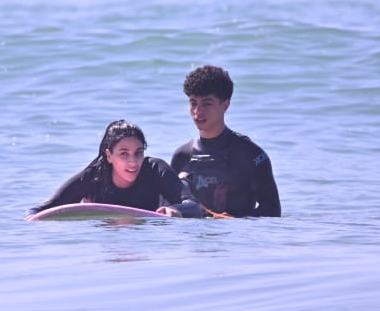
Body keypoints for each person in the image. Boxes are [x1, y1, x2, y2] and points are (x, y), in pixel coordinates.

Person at [27, 120, 203, 218]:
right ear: (109, 155)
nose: (133, 162)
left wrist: (176, 210)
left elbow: (195, 207)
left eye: (138, 153)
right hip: (107, 237)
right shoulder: (94, 175)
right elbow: (42, 209)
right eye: (124, 154)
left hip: (146, 238)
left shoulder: (155, 169)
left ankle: (186, 178)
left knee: (182, 185)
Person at [170, 65, 281, 217]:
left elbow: (273, 209)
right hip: (193, 239)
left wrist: (238, 221)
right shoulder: (182, 156)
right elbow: (169, 205)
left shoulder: (251, 154)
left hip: (235, 238)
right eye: (193, 103)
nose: (197, 111)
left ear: (226, 105)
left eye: (207, 103)